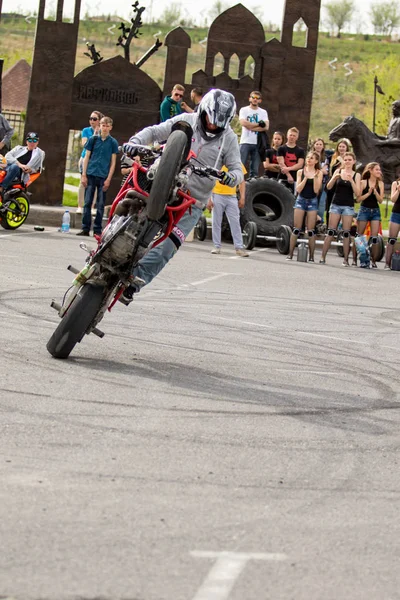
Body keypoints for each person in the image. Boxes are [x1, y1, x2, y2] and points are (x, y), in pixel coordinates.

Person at [120, 89, 243, 305]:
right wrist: (135, 141)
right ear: (203, 110)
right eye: (209, 120)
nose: (212, 126)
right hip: (162, 181)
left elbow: (237, 170)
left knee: (168, 247)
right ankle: (110, 236)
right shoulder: (186, 120)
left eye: (218, 124)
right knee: (130, 199)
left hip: (192, 202)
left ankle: (133, 283)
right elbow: (155, 131)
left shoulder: (230, 138)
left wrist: (230, 177)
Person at [77, 116, 119, 237]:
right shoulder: (92, 140)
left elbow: (113, 162)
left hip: (103, 176)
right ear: (99, 126)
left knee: (100, 204)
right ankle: (85, 228)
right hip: (91, 173)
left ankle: (97, 230)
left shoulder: (113, 143)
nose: (104, 128)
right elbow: (86, 157)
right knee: (87, 202)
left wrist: (109, 179)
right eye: (102, 125)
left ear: (110, 127)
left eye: (107, 126)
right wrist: (83, 174)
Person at [320, 151, 361, 266]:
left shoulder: (356, 175)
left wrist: (351, 181)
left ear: (354, 161)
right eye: (346, 159)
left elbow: (358, 193)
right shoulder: (338, 171)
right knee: (331, 231)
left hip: (348, 205)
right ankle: (323, 257)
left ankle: (346, 259)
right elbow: (328, 187)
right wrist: (334, 177)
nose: (347, 162)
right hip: (336, 204)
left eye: (350, 160)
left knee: (346, 233)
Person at [286, 151, 322, 262]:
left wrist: (314, 177)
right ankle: (290, 253)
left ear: (316, 161)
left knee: (311, 230)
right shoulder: (300, 172)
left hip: (312, 201)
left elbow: (316, 190)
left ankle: (311, 256)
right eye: (308, 158)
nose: (309, 160)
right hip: (301, 200)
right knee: (296, 229)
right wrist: (306, 178)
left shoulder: (318, 172)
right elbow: (298, 189)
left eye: (312, 158)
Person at [207, 163, 249, 257]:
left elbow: (242, 181)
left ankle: (239, 247)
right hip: (217, 195)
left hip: (232, 196)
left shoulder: (237, 163)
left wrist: (242, 197)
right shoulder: (217, 163)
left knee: (235, 222)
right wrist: (209, 199)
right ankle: (216, 246)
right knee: (216, 222)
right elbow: (210, 181)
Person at [356, 162, 384, 268]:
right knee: (359, 236)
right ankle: (355, 259)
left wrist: (375, 192)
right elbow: (358, 199)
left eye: (379, 169)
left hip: (375, 211)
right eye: (377, 169)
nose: (379, 171)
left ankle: (373, 260)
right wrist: (368, 193)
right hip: (364, 210)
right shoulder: (363, 182)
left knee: (375, 237)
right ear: (371, 170)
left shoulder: (380, 183)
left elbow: (381, 200)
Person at [0, 132, 45, 196]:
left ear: (37, 142)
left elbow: (38, 169)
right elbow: (7, 156)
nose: (32, 142)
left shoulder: (40, 153)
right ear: (26, 141)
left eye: (34, 140)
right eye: (30, 140)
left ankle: (2, 188)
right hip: (8, 166)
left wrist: (30, 170)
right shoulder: (18, 148)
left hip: (20, 172)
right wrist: (20, 164)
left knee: (15, 167)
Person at [76, 110, 103, 214]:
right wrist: (94, 135)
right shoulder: (86, 130)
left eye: (94, 119)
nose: (92, 121)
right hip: (85, 158)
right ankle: (80, 206)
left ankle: (92, 207)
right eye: (90, 118)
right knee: (83, 183)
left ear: (99, 121)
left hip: (96, 160)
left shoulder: (103, 131)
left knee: (95, 184)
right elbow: (84, 143)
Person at [239, 91, 269, 178]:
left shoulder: (263, 112)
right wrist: (259, 124)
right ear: (250, 98)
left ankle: (251, 186)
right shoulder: (244, 110)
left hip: (257, 142)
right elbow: (243, 122)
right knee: (240, 166)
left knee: (255, 169)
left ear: (260, 101)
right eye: (253, 97)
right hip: (245, 141)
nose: (255, 99)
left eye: (257, 98)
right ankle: (237, 185)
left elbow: (266, 127)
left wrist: (250, 126)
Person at [325, 138, 351, 222]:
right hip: (333, 184)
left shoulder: (349, 159)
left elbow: (347, 168)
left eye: (343, 146)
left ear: (347, 148)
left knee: (341, 206)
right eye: (340, 146)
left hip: (343, 185)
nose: (341, 148)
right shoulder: (332, 158)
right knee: (330, 206)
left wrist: (342, 161)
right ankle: (329, 226)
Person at [277, 127, 305, 194]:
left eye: (294, 135)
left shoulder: (300, 150)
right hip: (282, 177)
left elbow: (300, 164)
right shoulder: (281, 149)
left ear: (297, 137)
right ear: (287, 136)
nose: (292, 137)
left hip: (295, 178)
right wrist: (288, 176)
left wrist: (289, 168)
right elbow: (281, 163)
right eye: (290, 135)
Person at [385, 176, 400, 269]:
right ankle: (387, 263)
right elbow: (393, 199)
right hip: (396, 213)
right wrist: (398, 190)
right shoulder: (396, 183)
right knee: (391, 239)